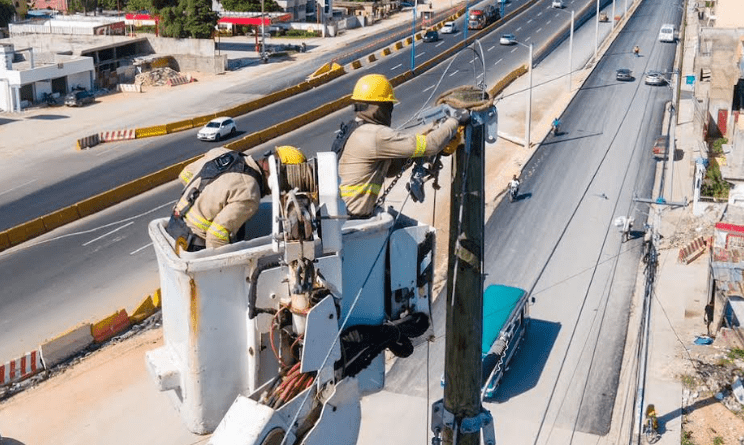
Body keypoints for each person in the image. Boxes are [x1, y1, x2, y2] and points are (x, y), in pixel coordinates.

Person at [336, 74, 470, 218]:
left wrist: (412, 156)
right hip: (353, 220)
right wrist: (454, 121)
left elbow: (390, 170)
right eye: (389, 106)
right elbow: (430, 145)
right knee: (423, 236)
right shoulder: (376, 135)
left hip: (343, 216)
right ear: (379, 108)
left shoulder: (353, 130)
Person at [166, 145, 306, 251]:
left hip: (174, 224)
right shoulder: (250, 192)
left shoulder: (223, 153)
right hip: (191, 245)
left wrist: (205, 202)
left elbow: (185, 174)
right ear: (279, 176)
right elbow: (215, 238)